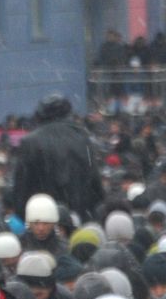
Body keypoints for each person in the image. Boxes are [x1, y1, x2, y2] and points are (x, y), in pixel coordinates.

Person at [9, 92, 104, 220]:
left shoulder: (30, 142)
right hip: (78, 215)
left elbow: (21, 188)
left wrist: (25, 216)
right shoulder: (83, 138)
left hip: (42, 218)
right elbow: (95, 184)